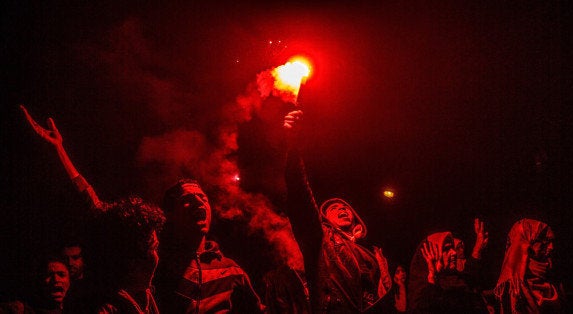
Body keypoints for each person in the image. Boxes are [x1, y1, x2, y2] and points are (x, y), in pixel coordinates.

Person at [20, 106, 165, 313]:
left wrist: (58, 149)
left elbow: (91, 201)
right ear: (133, 259)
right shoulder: (106, 307)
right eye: (153, 247)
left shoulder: (143, 295)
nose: (157, 256)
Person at [283, 110, 392, 313]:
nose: (341, 209)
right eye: (333, 208)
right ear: (324, 220)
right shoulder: (322, 240)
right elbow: (301, 199)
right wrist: (293, 149)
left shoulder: (373, 252)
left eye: (344, 207)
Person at [153, 179, 264, 313]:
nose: (199, 202)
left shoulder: (231, 270)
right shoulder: (156, 264)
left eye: (203, 198)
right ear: (170, 214)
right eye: (187, 199)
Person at [407, 219, 489, 313]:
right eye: (446, 249)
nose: (454, 252)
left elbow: (469, 277)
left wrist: (477, 249)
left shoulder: (453, 280)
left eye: (452, 248)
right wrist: (432, 275)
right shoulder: (420, 293)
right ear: (429, 254)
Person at [493, 218, 564, 314]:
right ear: (526, 244)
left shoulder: (553, 276)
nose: (551, 247)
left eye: (551, 242)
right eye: (544, 241)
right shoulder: (512, 287)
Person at [0, 256, 71, 314]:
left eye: (61, 275)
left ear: (69, 280)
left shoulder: (75, 308)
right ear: (40, 281)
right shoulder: (20, 309)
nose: (56, 279)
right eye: (49, 275)